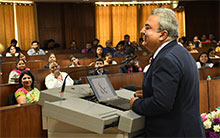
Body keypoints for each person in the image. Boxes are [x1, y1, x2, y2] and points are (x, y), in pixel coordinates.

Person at [130, 8, 205, 137]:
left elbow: (161, 104)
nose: (142, 31)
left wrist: (135, 104)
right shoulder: (180, 52)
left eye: (147, 28)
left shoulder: (165, 59)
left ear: (163, 35)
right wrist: (151, 92)